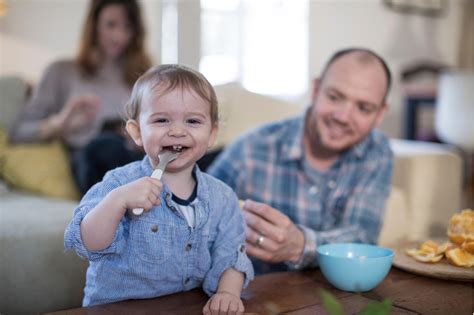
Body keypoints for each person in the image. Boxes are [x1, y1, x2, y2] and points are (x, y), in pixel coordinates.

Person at [64, 64, 254, 314]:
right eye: (161, 120)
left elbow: (231, 254)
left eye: (193, 121)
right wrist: (117, 202)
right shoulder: (118, 183)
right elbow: (89, 243)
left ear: (211, 134)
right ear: (137, 132)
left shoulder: (223, 197)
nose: (177, 131)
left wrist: (227, 293)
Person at [208, 48, 394, 274]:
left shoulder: (377, 152)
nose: (343, 117)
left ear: (380, 114)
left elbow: (362, 239)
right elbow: (198, 216)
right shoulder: (250, 149)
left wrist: (300, 245)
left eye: (364, 108)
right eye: (334, 97)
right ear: (315, 90)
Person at [10, 0, 152, 194]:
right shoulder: (61, 71)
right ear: (93, 26)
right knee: (105, 145)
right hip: (92, 161)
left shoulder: (144, 77)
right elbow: (18, 132)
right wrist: (60, 124)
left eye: (127, 27)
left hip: (140, 159)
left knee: (192, 153)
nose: (119, 36)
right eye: (111, 25)